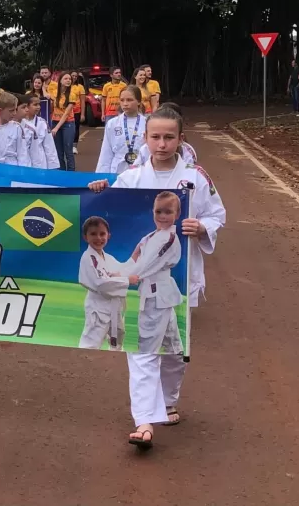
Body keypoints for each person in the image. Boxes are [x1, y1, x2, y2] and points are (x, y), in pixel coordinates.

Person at [88, 105, 226, 449]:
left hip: (180, 280)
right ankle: (145, 421)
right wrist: (99, 190)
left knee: (175, 352)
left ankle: (168, 398)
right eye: (155, 137)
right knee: (142, 348)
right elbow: (109, 211)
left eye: (168, 137)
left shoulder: (196, 176)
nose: (161, 144)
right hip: (142, 289)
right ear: (146, 139)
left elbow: (217, 213)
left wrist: (202, 226)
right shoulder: (132, 177)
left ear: (181, 139)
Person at [125, 192, 184, 356]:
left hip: (156, 296)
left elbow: (144, 266)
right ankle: (173, 365)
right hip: (156, 294)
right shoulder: (150, 236)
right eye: (158, 211)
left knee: (147, 343)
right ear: (153, 212)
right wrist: (119, 272)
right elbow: (135, 258)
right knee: (170, 338)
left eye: (168, 212)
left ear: (177, 214)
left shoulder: (167, 238)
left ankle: (146, 373)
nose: (163, 216)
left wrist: (119, 278)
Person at [78, 216, 134, 351]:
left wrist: (136, 255)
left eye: (102, 234)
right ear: (85, 237)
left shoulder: (107, 257)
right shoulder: (88, 258)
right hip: (98, 308)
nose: (98, 238)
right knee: (92, 341)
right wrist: (127, 281)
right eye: (93, 234)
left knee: (118, 337)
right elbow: (100, 284)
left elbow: (122, 269)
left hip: (114, 306)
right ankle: (82, 368)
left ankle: (112, 365)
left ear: (108, 236)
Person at [96, 86, 146, 174]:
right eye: (122, 100)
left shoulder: (147, 123)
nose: (125, 103)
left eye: (129, 100)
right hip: (118, 169)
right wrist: (102, 175)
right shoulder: (113, 123)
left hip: (141, 168)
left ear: (138, 102)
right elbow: (106, 151)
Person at [24, 94, 59, 169]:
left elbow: (49, 146)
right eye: (35, 105)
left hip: (39, 162)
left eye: (39, 104)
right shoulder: (19, 122)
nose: (38, 107)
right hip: (24, 162)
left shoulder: (42, 123)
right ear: (26, 106)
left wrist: (53, 166)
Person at [51, 72, 77, 171]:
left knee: (68, 150)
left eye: (69, 79)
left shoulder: (72, 94)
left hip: (68, 124)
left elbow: (66, 114)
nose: (68, 80)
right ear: (60, 81)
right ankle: (61, 172)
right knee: (58, 151)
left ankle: (71, 173)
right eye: (65, 79)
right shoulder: (54, 92)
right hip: (55, 121)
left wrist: (56, 128)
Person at [70, 71, 86, 155]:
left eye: (75, 76)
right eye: (72, 75)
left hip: (76, 111)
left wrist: (82, 114)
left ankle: (74, 146)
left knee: (75, 128)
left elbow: (83, 101)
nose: (74, 77)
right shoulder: (65, 86)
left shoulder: (80, 87)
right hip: (66, 112)